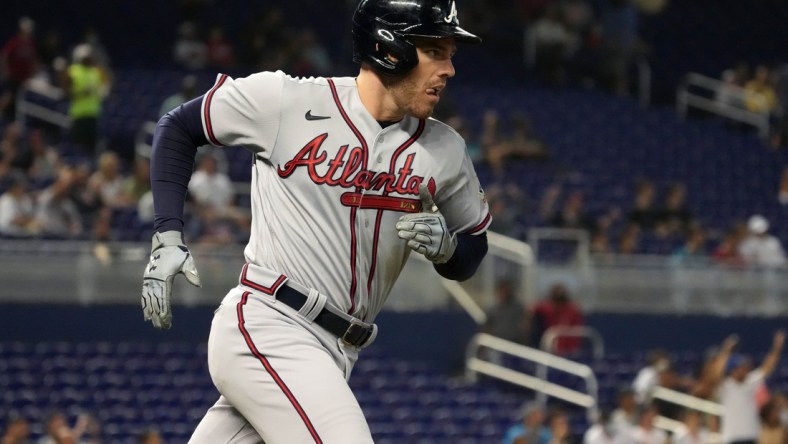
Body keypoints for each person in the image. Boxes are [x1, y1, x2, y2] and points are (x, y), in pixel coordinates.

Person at [139, 1, 491, 443]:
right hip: (271, 322)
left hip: (339, 352)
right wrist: (168, 236)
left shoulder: (444, 149)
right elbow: (178, 127)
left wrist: (449, 251)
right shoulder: (287, 100)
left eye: (450, 55)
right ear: (390, 47)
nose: (449, 69)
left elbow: (474, 246)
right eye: (436, 51)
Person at [703, 331, 785, 444]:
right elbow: (715, 375)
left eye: (745, 367)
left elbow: (767, 367)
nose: (745, 370)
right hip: (732, 438)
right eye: (741, 368)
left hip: (751, 436)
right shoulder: (726, 386)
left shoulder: (750, 382)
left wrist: (777, 347)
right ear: (733, 371)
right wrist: (726, 351)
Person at [529, 283, 584, 354]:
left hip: (570, 345)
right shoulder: (548, 307)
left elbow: (578, 329)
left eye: (561, 293)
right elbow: (533, 308)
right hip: (552, 342)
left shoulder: (573, 310)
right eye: (557, 293)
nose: (559, 295)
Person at [482, 279, 529, 345]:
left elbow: (525, 327)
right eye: (501, 291)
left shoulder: (519, 308)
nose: (503, 293)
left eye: (506, 291)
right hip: (496, 344)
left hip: (514, 343)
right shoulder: (492, 309)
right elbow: (487, 328)